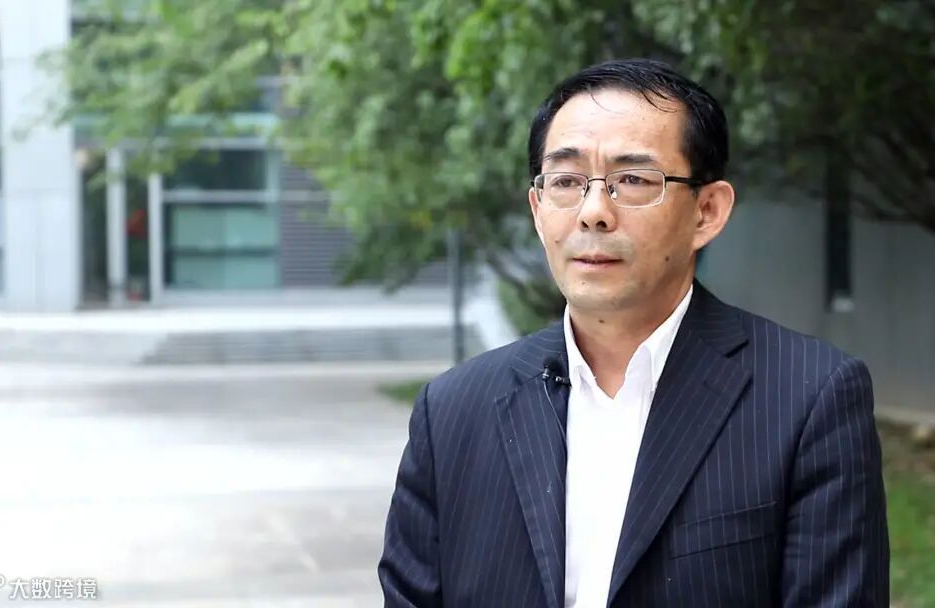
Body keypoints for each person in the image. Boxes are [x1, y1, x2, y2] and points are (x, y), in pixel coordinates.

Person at [378, 58, 889, 607]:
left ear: (707, 211)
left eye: (633, 180)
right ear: (538, 209)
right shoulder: (453, 411)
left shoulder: (808, 398)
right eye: (567, 181)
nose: (594, 212)